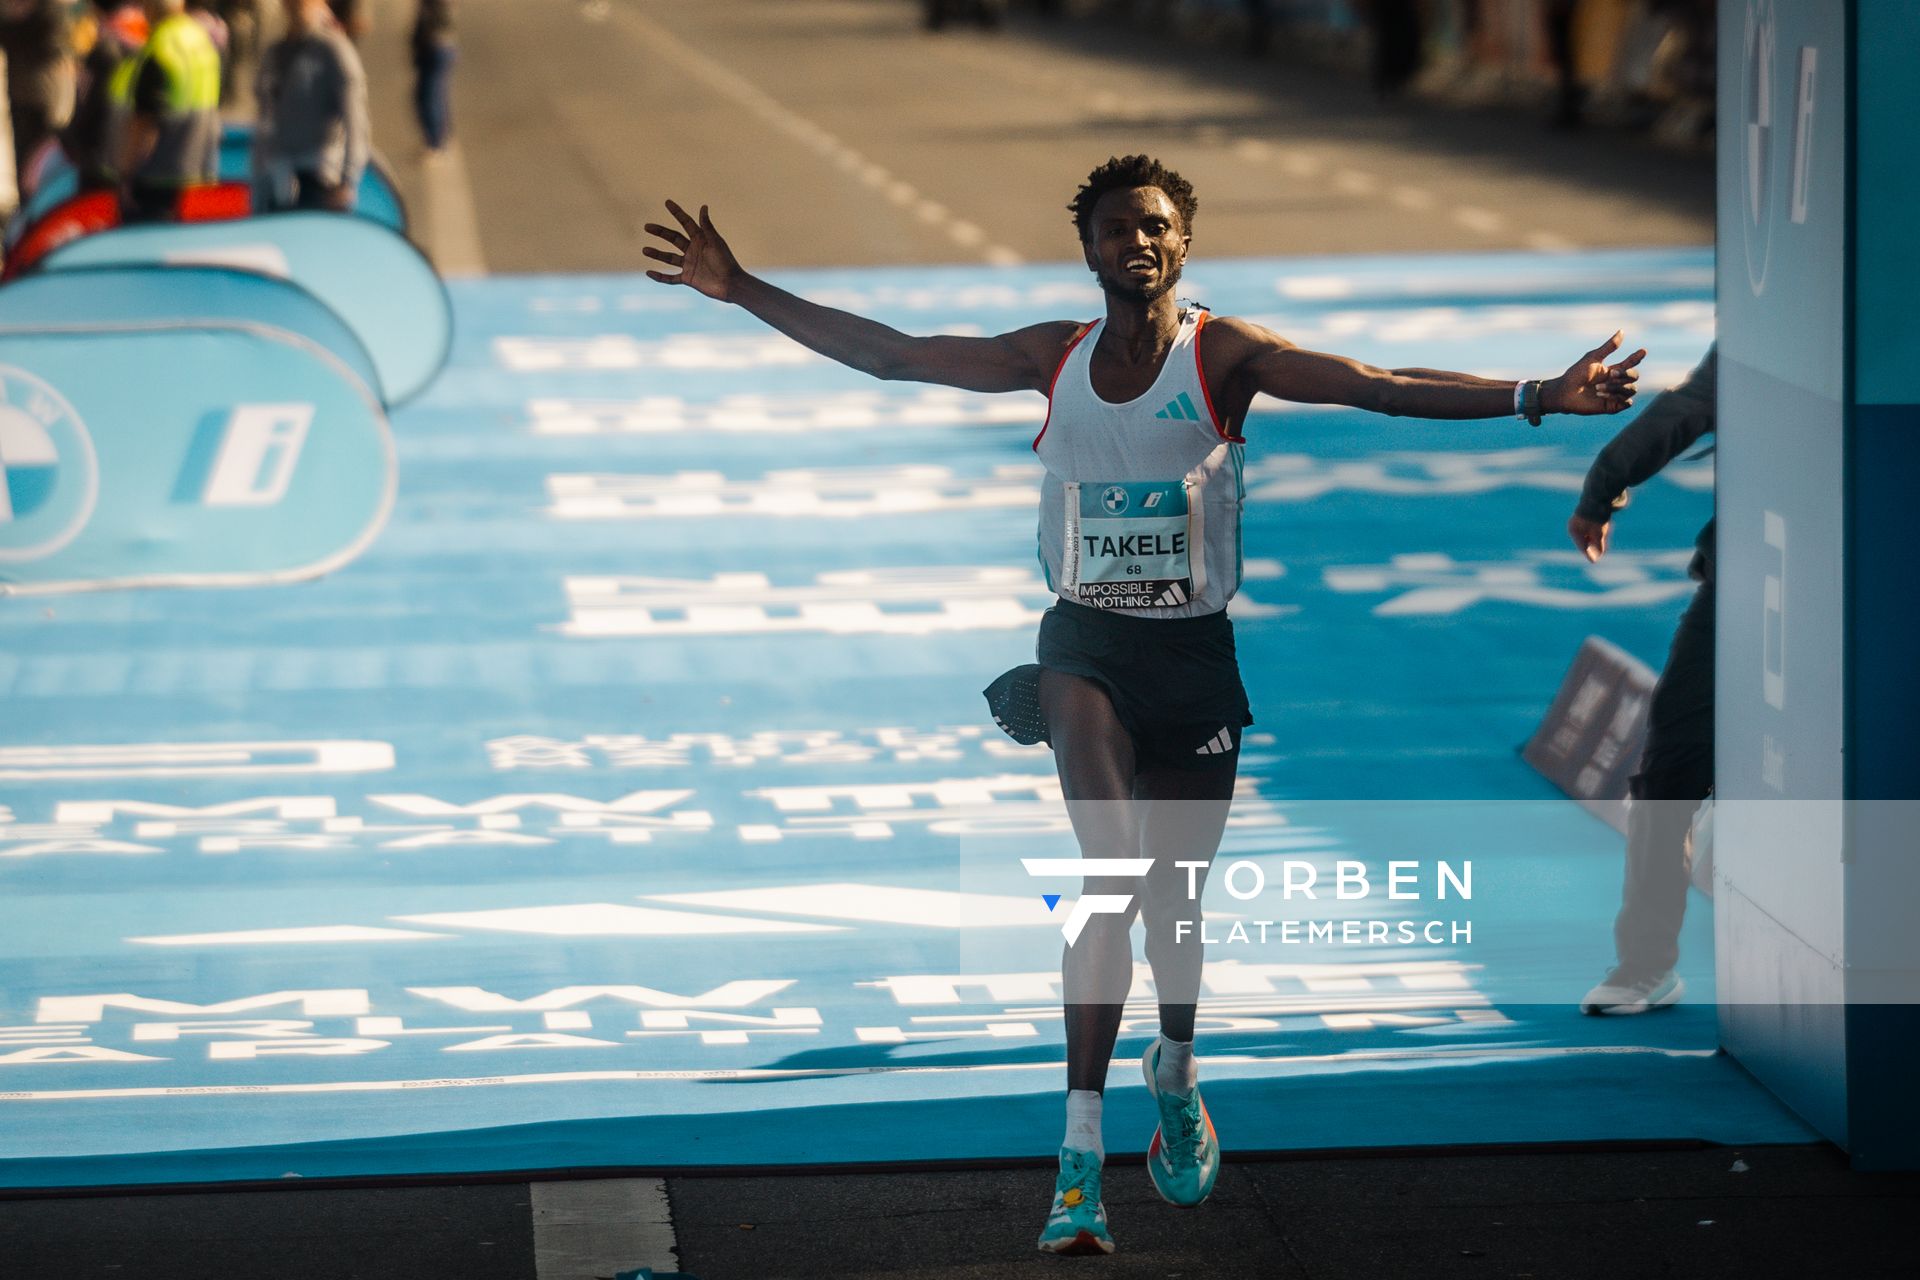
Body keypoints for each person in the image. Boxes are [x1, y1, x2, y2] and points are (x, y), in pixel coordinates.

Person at [642, 154, 1643, 1256]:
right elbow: (893, 356)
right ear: (1090, 249)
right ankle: (1078, 1156)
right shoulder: (1052, 355)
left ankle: (1175, 1061)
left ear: (1184, 242)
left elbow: (1377, 381)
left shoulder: (1226, 355)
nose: (1138, 243)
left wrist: (1537, 395)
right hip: (1084, 648)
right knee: (1108, 876)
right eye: (1117, 228)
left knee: (1174, 905)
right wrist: (742, 288)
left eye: (1157, 226)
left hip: (1194, 660)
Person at [1572, 344, 1715, 1016]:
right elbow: (1681, 412)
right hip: (1755, 586)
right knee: (1671, 773)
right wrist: (1605, 487)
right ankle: (1644, 965)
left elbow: (1680, 413)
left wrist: (1600, 493)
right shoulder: (1788, 320)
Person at [251, 0, 366, 212]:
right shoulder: (275, 52)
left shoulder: (334, 50)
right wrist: (259, 177)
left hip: (319, 178)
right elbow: (264, 119)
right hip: (279, 176)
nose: (297, 5)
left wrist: (348, 180)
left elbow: (355, 121)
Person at [110, 0, 219, 221]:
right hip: (199, 177)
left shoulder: (160, 48)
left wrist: (125, 175)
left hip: (157, 182)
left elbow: (145, 123)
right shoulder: (201, 41)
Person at [64, 0, 146, 191]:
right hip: (128, 154)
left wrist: (70, 140)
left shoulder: (106, 47)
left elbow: (90, 104)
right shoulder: (142, 35)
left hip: (99, 156)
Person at [0, 0, 72, 186]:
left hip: (42, 103)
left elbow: (11, 34)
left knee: (39, 164)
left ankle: (37, 207)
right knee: (26, 161)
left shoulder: (48, 13)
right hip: (27, 100)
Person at [409, 0, 453, 153]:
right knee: (434, 94)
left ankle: (436, 142)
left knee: (430, 96)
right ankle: (440, 138)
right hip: (436, 46)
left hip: (437, 47)